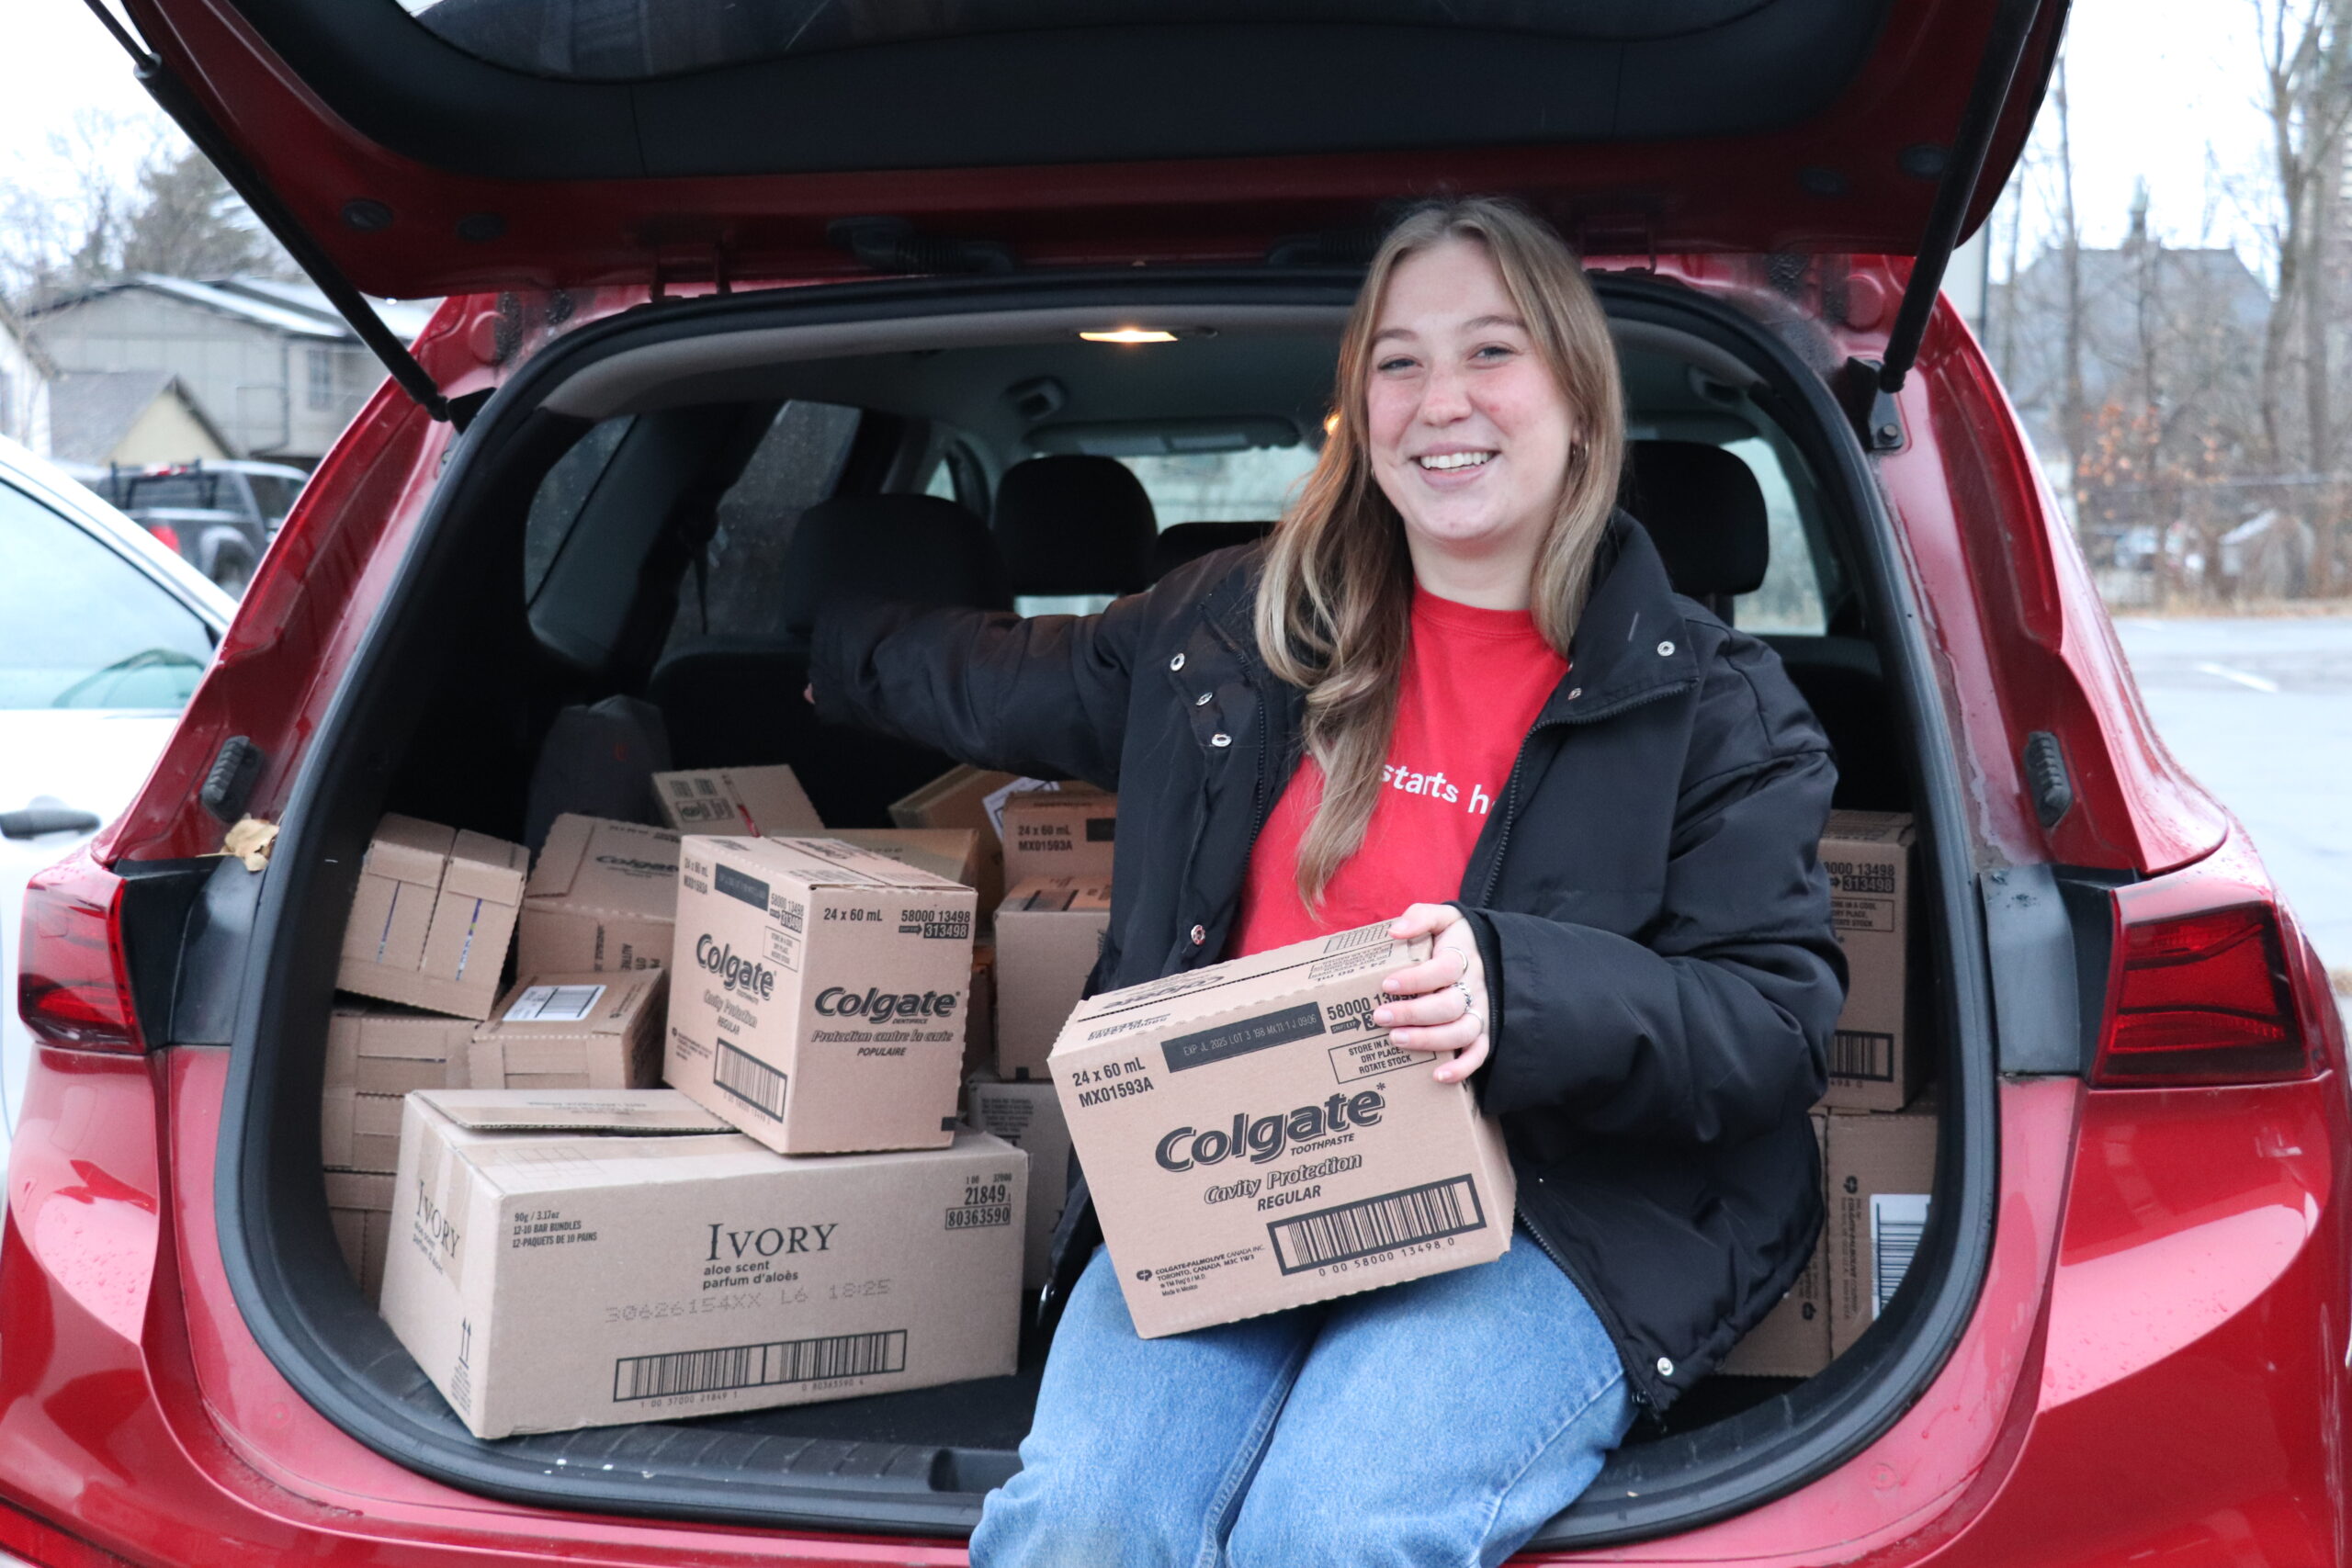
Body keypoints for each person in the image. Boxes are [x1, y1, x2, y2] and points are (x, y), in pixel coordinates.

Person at [808, 197, 1845, 1568]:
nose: (1442, 402)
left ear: (1582, 403)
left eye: (1493, 351)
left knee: (1330, 1531)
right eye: (1399, 361)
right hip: (1228, 1166)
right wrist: (825, 637)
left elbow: (1774, 1022)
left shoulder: (1716, 706)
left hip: (1549, 1212)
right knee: (1082, 1524)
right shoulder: (1230, 630)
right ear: (1357, 409)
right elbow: (1008, 681)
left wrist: (1516, 988)